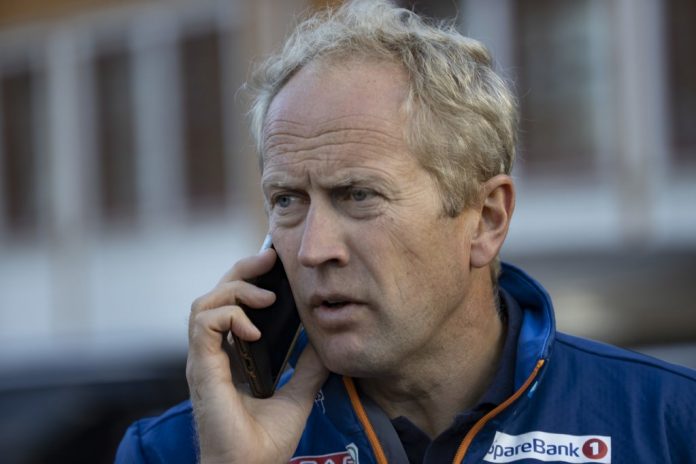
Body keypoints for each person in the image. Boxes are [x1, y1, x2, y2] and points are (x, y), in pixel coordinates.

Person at [116, 1, 696, 463]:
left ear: (487, 219)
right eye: (287, 200)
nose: (313, 250)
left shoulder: (670, 423)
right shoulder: (172, 451)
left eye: (358, 195)